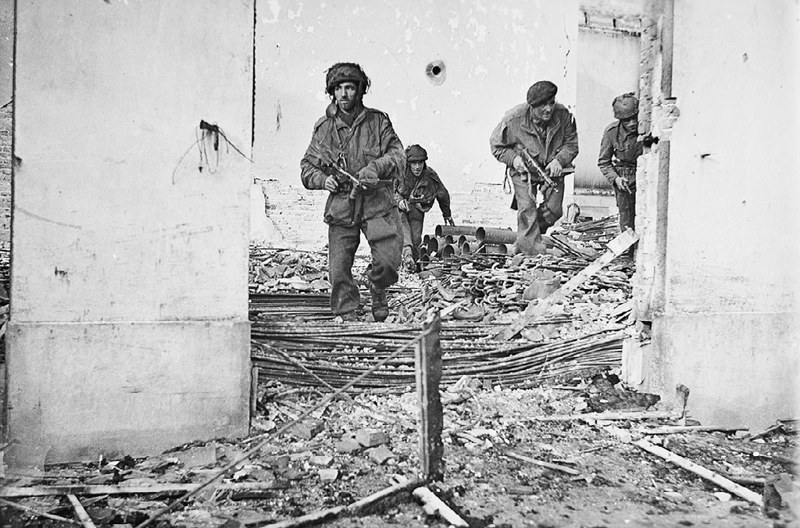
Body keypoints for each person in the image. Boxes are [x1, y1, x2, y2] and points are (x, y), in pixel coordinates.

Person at [300, 62, 405, 322]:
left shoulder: (378, 122)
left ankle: (378, 286)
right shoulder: (324, 129)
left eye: (350, 88)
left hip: (375, 201)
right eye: (339, 89)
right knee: (338, 268)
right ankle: (347, 315)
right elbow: (306, 167)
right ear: (332, 93)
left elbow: (398, 155)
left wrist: (375, 167)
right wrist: (323, 180)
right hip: (342, 204)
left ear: (360, 91)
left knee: (389, 262)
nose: (344, 94)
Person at [490, 80, 578, 255]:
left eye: (551, 103)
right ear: (532, 106)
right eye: (542, 105)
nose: (548, 109)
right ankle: (532, 255)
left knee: (554, 211)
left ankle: (524, 238)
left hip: (552, 171)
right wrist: (514, 160)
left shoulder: (563, 115)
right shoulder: (513, 119)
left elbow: (572, 145)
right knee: (527, 210)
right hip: (524, 172)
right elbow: (496, 147)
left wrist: (559, 160)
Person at [396, 144, 454, 271]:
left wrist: (447, 214)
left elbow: (443, 194)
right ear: (408, 163)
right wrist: (398, 200)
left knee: (416, 240)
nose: (417, 167)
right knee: (405, 234)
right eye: (414, 163)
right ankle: (407, 256)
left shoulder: (430, 176)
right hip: (400, 209)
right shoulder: (399, 173)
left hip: (417, 209)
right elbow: (387, 191)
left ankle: (411, 262)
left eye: (420, 163)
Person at [598, 92, 642, 252]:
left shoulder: (647, 128)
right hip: (624, 178)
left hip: (643, 175)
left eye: (634, 118)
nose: (631, 123)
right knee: (626, 217)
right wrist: (616, 179)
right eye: (626, 120)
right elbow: (603, 162)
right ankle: (630, 253)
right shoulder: (611, 133)